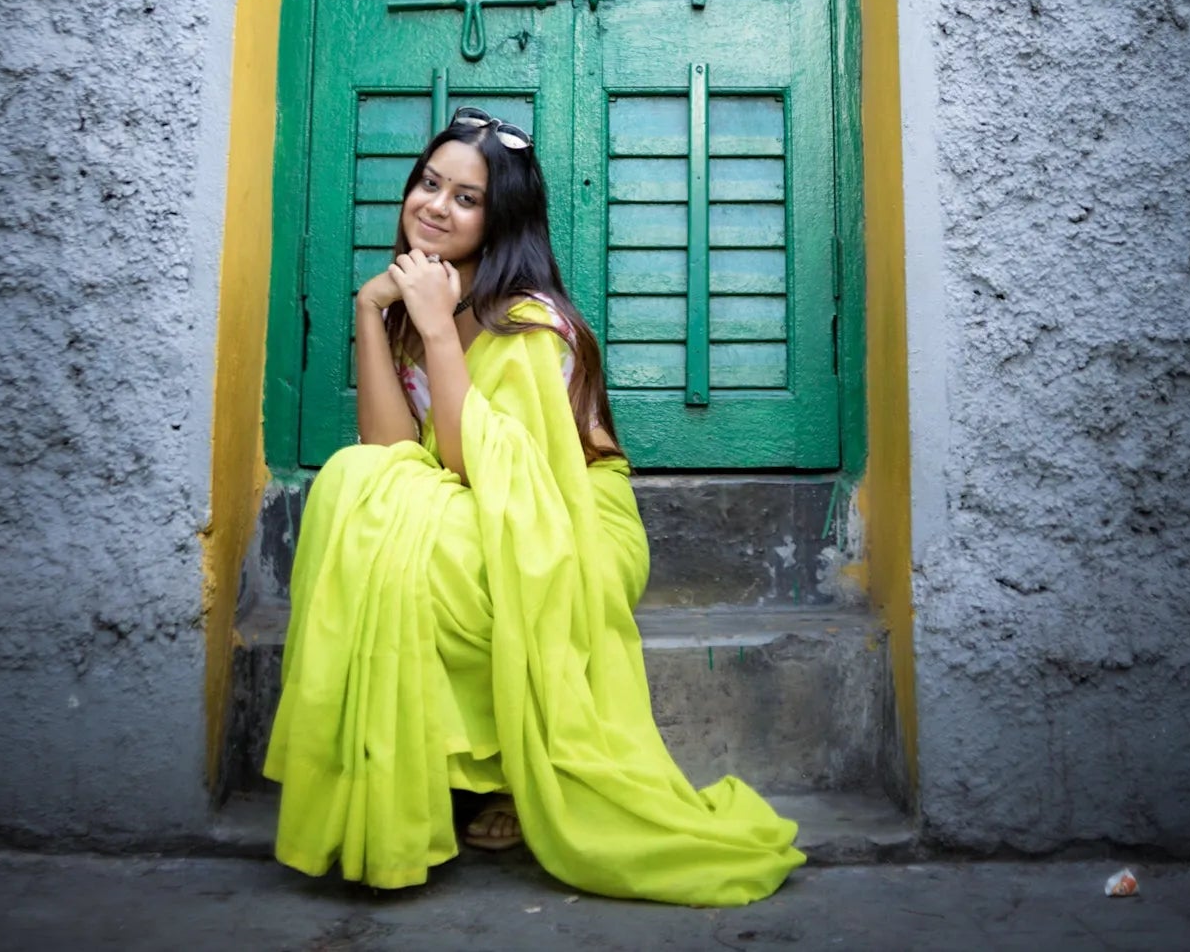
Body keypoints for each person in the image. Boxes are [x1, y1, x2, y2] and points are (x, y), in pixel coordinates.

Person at [263, 106, 805, 905]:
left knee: (413, 535)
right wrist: (368, 315)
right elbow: (386, 452)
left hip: (571, 519)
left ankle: (515, 767)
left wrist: (439, 335)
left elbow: (485, 473)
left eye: (466, 198)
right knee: (354, 485)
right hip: (478, 504)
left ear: (501, 220)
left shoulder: (531, 327)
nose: (435, 206)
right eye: (428, 182)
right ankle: (415, 761)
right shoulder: (421, 304)